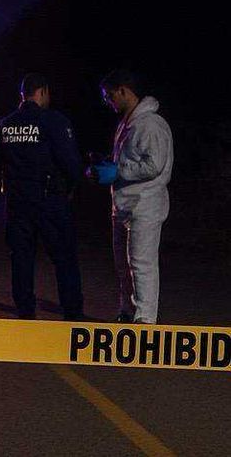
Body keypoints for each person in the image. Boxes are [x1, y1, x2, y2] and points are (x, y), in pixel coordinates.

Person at [0, 73, 85, 320]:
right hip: (49, 200)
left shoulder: (5, 124)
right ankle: (72, 313)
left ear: (23, 94)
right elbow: (70, 163)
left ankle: (25, 310)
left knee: (21, 257)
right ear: (41, 92)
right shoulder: (54, 121)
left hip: (17, 202)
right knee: (63, 258)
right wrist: (72, 188)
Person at [91, 69, 173, 324]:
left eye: (110, 95)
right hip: (125, 205)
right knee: (123, 265)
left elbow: (155, 164)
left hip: (145, 204)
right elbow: (132, 162)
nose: (108, 101)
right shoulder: (128, 123)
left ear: (124, 90)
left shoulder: (150, 124)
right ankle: (127, 311)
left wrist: (118, 171)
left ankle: (145, 320)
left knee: (141, 264)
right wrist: (106, 166)